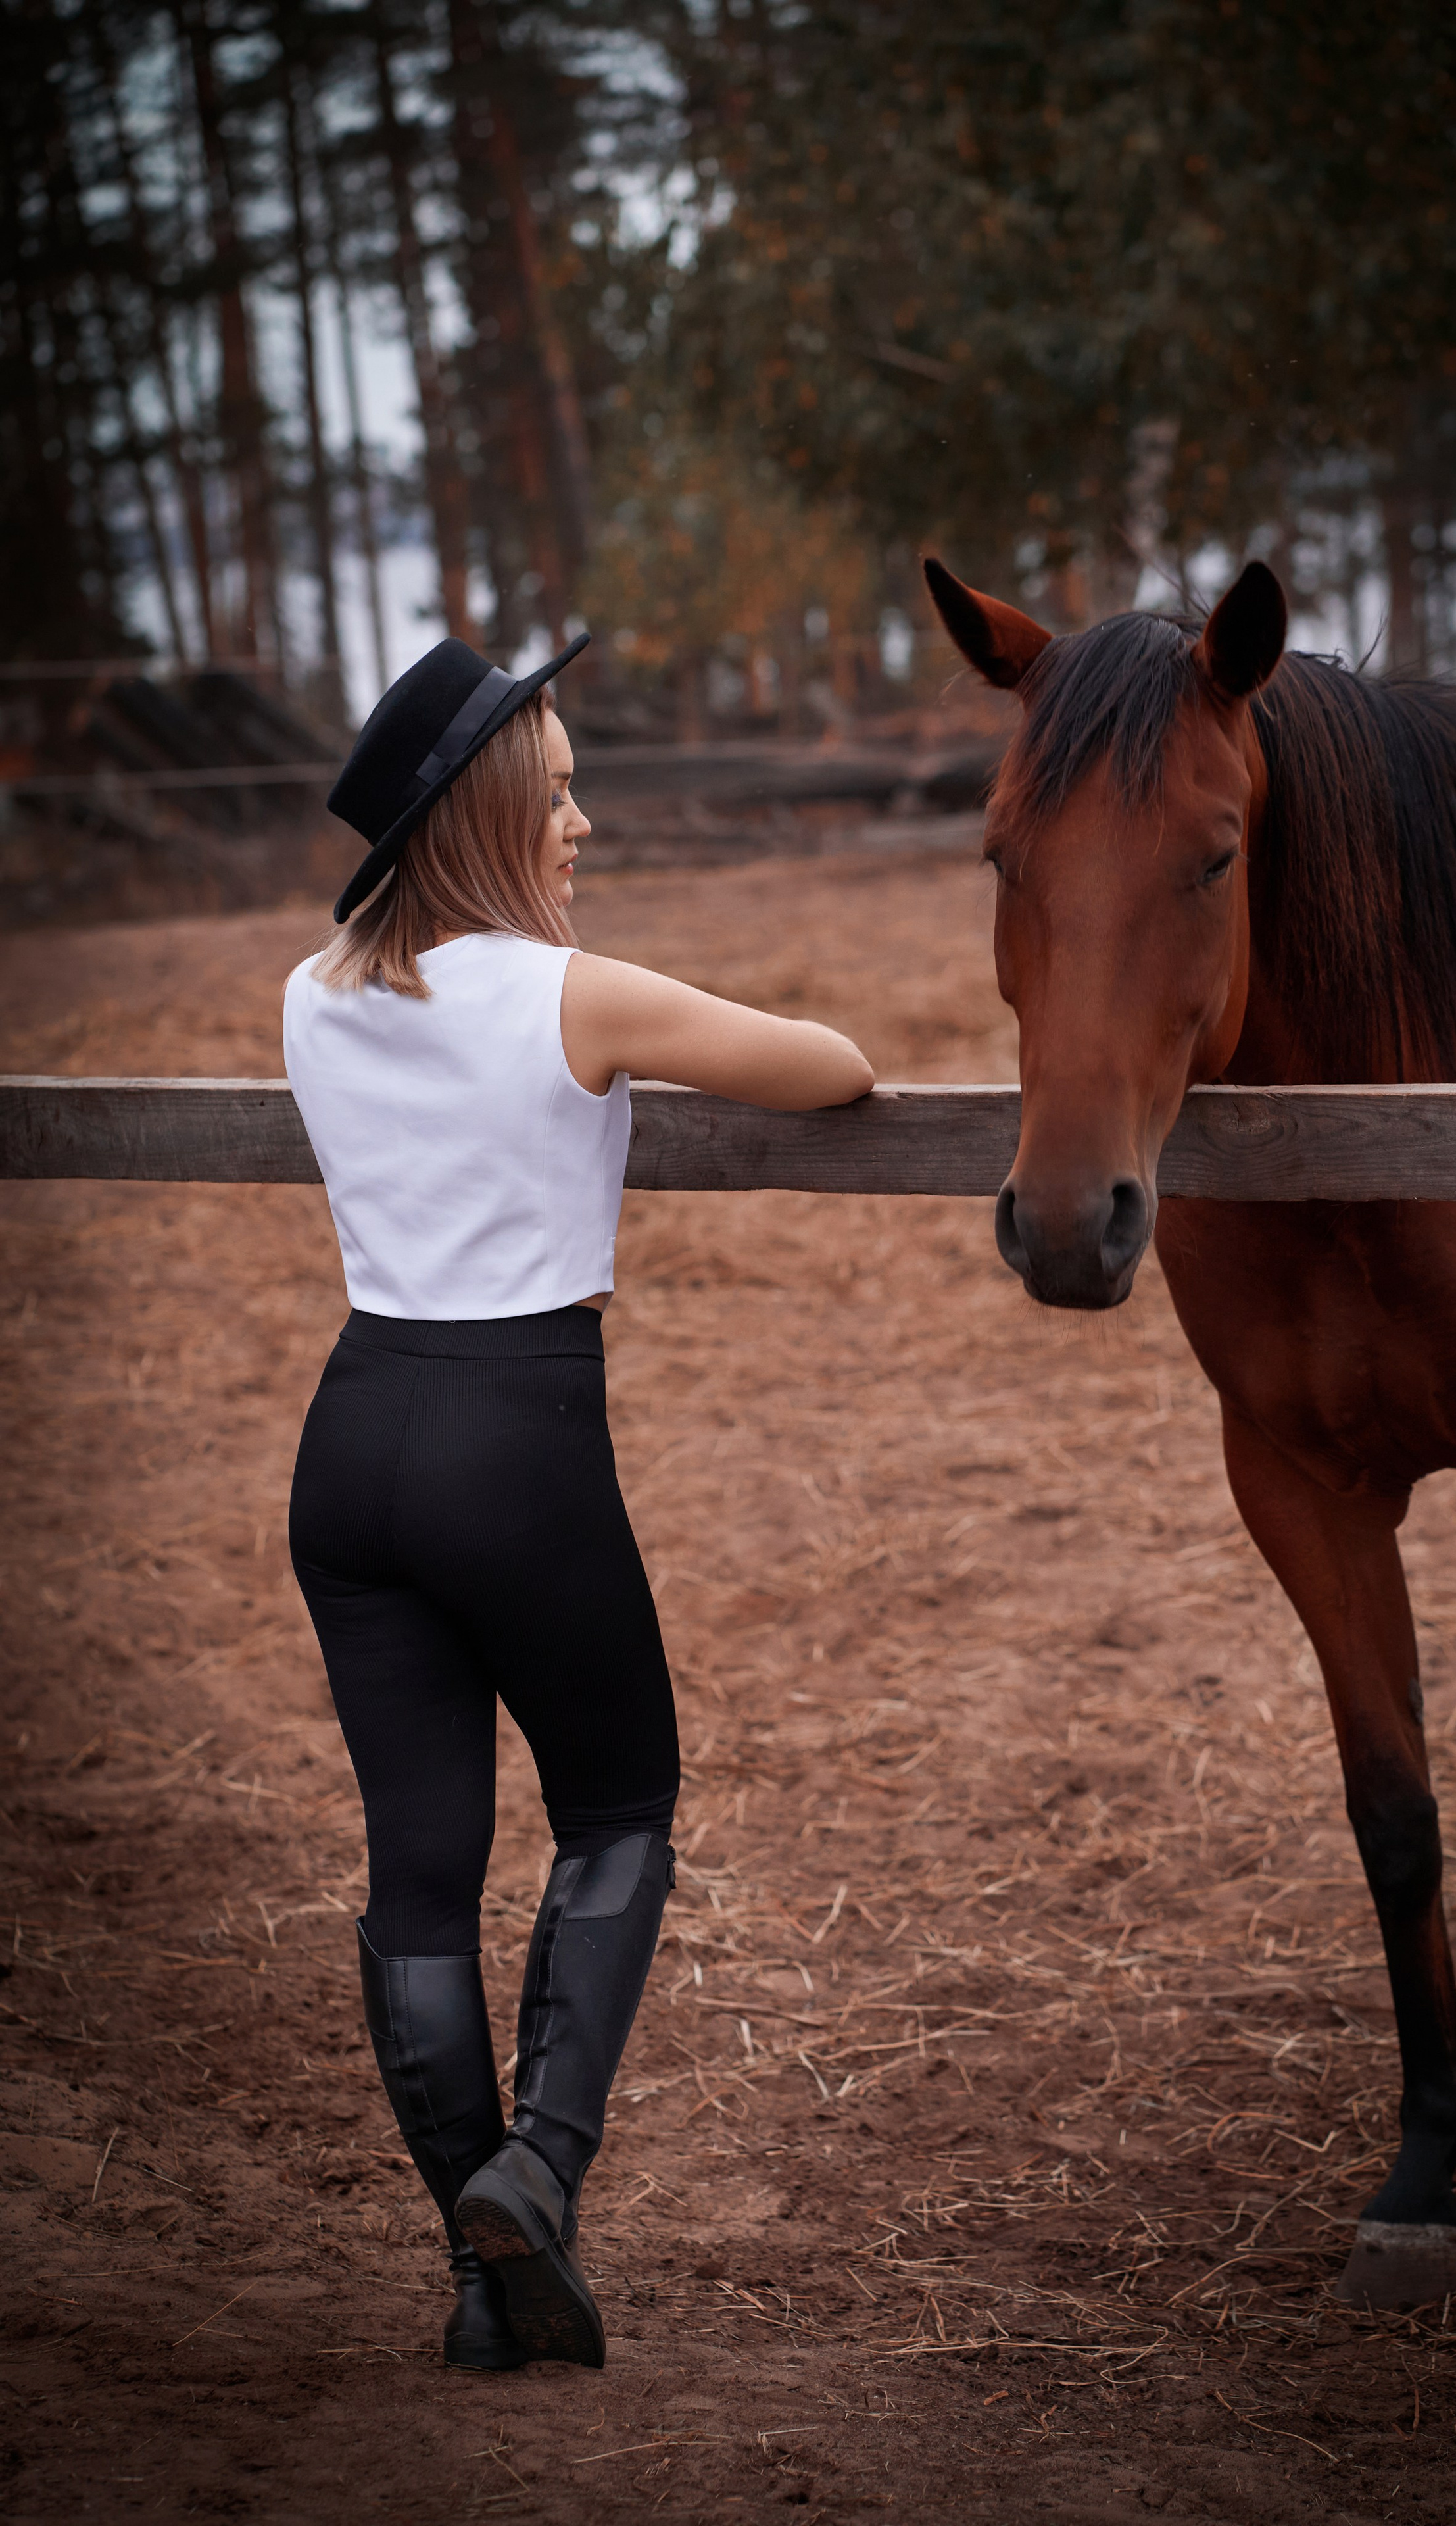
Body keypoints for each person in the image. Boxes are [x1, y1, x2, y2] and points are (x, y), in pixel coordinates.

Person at [283, 634, 873, 2373]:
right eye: (555, 798)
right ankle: (541, 2168)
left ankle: (484, 2285)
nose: (582, 823)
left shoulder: (310, 995)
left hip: (353, 1437)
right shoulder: (577, 1000)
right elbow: (831, 1064)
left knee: (421, 1876)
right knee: (620, 1802)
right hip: (515, 1438)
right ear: (485, 822)